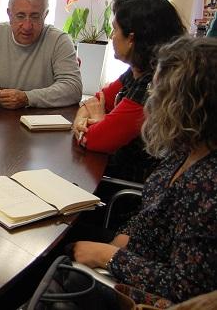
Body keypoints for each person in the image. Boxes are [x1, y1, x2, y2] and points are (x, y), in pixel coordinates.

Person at [71, 36, 217, 305]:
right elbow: (152, 211)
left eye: (158, 91)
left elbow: (187, 288)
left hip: (152, 293)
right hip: (136, 253)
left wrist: (109, 257)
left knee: (50, 268)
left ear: (187, 103)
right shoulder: (187, 148)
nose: (151, 98)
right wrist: (122, 238)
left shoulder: (207, 185)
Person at [72, 0, 186, 181]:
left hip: (129, 191)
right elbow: (94, 101)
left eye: (115, 30)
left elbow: (94, 139)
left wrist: (98, 121)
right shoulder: (138, 70)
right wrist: (82, 120)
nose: (111, 36)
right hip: (116, 176)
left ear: (131, 38)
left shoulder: (153, 86)